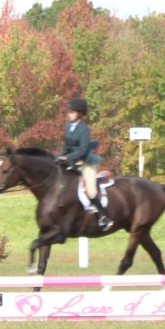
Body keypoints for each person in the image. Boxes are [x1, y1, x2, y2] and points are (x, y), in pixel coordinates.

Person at [57, 97, 112, 231]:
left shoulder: (84, 129)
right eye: (68, 112)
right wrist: (59, 156)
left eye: (71, 112)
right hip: (73, 162)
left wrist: (67, 157)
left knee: (91, 192)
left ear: (79, 114)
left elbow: (82, 150)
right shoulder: (68, 127)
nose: (68, 114)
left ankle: (104, 217)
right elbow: (66, 146)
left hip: (86, 162)